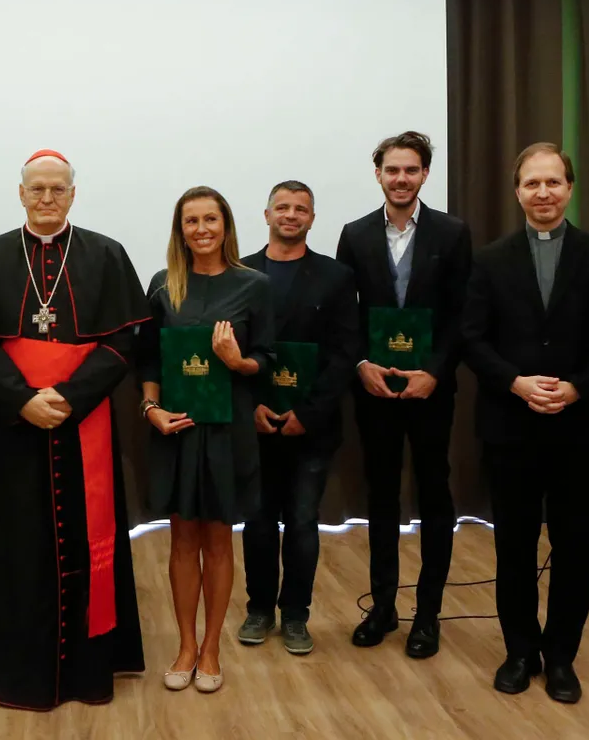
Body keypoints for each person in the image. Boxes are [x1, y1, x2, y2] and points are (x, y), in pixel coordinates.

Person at [0, 149, 147, 709]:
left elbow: (122, 341)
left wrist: (70, 397)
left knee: (85, 539)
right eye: (36, 188)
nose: (47, 198)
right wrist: (22, 399)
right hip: (11, 427)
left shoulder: (106, 254)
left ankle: (87, 669)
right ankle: (12, 668)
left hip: (82, 418)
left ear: (73, 195)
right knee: (12, 543)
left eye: (58, 189)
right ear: (20, 194)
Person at [462, 143, 589, 703]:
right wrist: (515, 382)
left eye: (553, 182)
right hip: (510, 426)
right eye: (532, 183)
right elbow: (472, 338)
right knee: (513, 547)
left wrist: (578, 386)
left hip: (581, 429)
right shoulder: (489, 260)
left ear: (569, 188)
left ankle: (561, 658)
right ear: (517, 192)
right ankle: (519, 652)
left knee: (571, 547)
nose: (543, 193)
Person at [335, 131, 471, 658]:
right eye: (392, 170)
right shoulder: (354, 235)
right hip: (375, 390)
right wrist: (360, 365)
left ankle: (428, 615)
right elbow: (346, 314)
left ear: (425, 175)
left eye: (411, 170)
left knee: (435, 494)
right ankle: (384, 606)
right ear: (378, 174)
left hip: (430, 390)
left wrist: (434, 371)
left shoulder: (452, 233)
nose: (401, 179)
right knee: (381, 497)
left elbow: (461, 315)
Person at [138, 186, 272, 693]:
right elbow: (149, 359)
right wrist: (150, 408)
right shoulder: (162, 284)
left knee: (217, 539)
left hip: (226, 430)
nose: (201, 229)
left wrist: (238, 362)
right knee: (181, 539)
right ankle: (186, 646)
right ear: (180, 230)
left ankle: (212, 648)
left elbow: (267, 358)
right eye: (191, 221)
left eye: (210, 219)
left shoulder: (254, 284)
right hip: (175, 430)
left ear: (226, 225)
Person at [239, 181, 358, 655]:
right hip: (254, 423)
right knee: (258, 522)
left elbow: (344, 352)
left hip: (311, 427)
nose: (291, 215)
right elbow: (231, 349)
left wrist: (307, 413)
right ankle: (258, 609)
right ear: (266, 214)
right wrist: (250, 406)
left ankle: (295, 616)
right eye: (282, 207)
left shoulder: (336, 277)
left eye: (301, 209)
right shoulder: (239, 272)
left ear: (312, 218)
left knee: (304, 522)